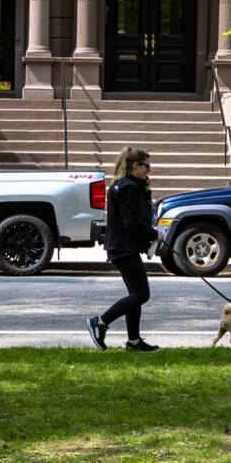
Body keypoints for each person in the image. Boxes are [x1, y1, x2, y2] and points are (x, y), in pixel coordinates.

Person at [88, 147, 160, 352]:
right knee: (141, 294)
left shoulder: (125, 185)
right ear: (135, 165)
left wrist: (145, 188)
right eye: (147, 165)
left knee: (134, 295)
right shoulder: (128, 188)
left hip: (122, 246)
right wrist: (154, 234)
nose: (150, 170)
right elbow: (132, 222)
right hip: (123, 247)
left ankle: (134, 342)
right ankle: (100, 322)